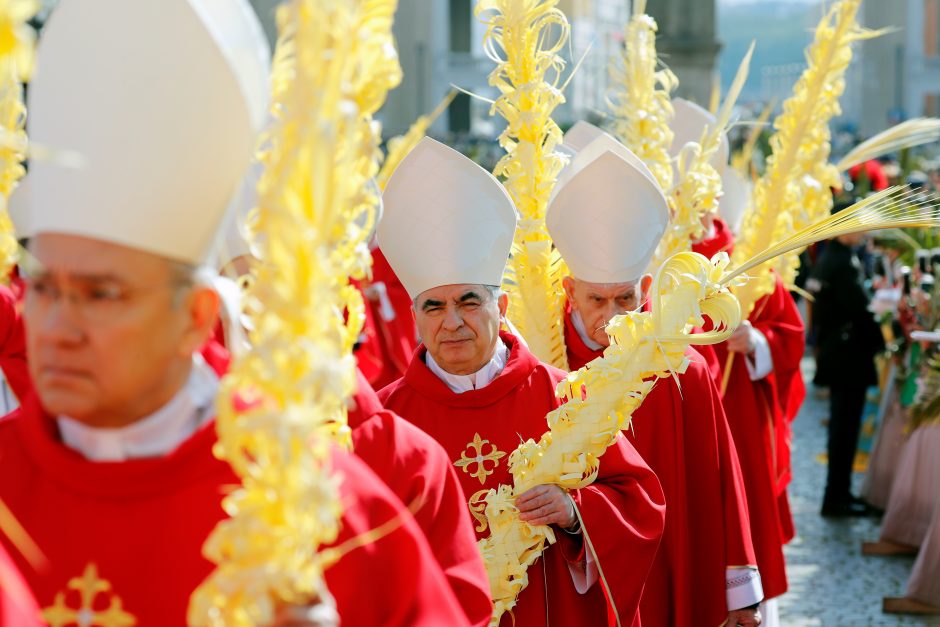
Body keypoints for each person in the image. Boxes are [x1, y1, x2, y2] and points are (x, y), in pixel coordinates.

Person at [0, 1, 470, 625]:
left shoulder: (313, 508)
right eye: (44, 289)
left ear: (196, 316)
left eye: (101, 294)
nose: (56, 328)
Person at [376, 137, 666, 627]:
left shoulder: (565, 397)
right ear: (415, 318)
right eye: (434, 306)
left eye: (469, 301)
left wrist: (575, 513)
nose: (453, 322)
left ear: (501, 308)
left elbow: (641, 502)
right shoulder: (388, 421)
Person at [549, 129, 763, 627]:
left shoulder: (684, 366)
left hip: (673, 569)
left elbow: (722, 480)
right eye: (596, 300)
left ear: (647, 287)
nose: (612, 317)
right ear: (569, 290)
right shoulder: (547, 362)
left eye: (625, 299)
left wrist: (741, 592)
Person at [808, 227, 885, 516]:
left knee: (842, 428)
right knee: (845, 429)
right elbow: (861, 310)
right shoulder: (842, 262)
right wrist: (882, 341)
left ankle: (838, 494)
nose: (865, 231)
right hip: (847, 357)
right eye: (859, 226)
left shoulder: (830, 257)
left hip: (836, 352)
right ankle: (837, 497)